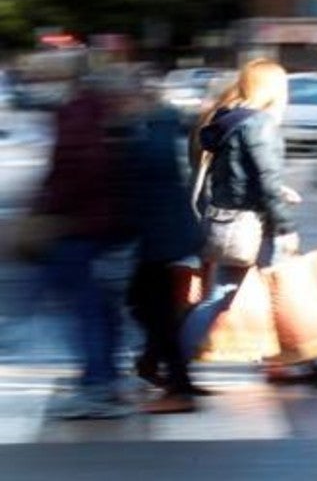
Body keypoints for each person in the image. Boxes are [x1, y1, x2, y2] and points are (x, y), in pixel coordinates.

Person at [181, 59, 317, 389]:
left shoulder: (229, 122)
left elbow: (237, 176)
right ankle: (310, 365)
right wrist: (285, 225)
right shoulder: (259, 124)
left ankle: (173, 364)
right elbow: (264, 180)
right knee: (287, 290)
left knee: (222, 296)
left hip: (228, 223)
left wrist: (277, 190)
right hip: (254, 226)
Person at [36, 68, 138, 420]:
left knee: (83, 307)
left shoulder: (79, 115)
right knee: (100, 306)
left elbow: (74, 170)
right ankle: (104, 378)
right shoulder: (113, 118)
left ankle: (97, 385)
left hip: (80, 227)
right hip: (109, 227)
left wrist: (51, 206)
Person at [123, 83, 206, 413]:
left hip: (159, 237)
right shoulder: (159, 127)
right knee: (146, 305)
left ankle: (178, 386)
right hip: (162, 235)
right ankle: (157, 366)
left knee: (154, 310)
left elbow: (144, 186)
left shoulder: (150, 135)